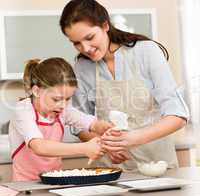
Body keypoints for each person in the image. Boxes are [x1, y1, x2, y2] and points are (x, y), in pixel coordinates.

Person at [59, 0, 189, 171]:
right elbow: (79, 123)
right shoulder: (82, 68)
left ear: (105, 25)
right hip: (110, 170)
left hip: (157, 166)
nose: (85, 48)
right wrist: (106, 147)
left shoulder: (146, 52)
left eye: (89, 37)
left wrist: (134, 138)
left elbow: (177, 115)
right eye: (76, 43)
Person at [9, 57, 113, 181]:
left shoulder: (62, 110)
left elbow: (91, 123)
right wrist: (84, 148)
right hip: (26, 185)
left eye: (68, 99)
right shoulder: (23, 110)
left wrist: (106, 127)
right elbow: (39, 147)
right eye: (56, 99)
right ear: (36, 91)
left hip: (55, 180)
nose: (63, 105)